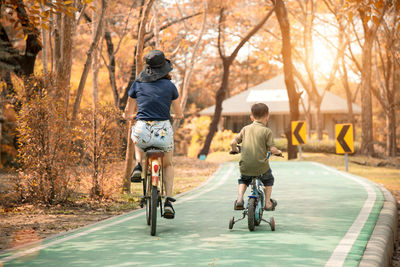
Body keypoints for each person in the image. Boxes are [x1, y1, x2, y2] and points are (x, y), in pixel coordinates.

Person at [123, 50, 183, 219]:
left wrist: (128, 116)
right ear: (164, 68)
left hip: (143, 132)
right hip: (163, 132)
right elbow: (179, 113)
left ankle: (138, 164)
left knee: (136, 133)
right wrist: (175, 115)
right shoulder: (170, 86)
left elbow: (129, 111)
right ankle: (168, 201)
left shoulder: (137, 84)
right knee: (168, 164)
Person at [230, 103, 282, 211]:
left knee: (243, 180)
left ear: (251, 117)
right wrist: (278, 152)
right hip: (261, 168)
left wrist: (234, 149)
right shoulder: (267, 131)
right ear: (267, 116)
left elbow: (232, 143)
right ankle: (267, 203)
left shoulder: (245, 129)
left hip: (245, 166)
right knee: (269, 180)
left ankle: (240, 199)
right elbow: (272, 149)